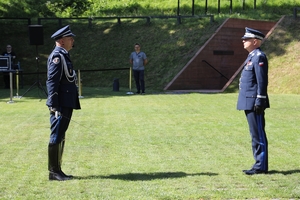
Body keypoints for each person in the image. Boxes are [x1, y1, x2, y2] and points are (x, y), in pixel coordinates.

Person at [46, 25, 81, 181]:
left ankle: (58, 169)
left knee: (61, 135)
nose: (72, 40)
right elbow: (52, 81)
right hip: (59, 102)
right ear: (61, 40)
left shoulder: (63, 55)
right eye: (70, 38)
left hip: (66, 101)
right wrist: (53, 104)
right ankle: (53, 172)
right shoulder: (57, 57)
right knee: (56, 135)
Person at [237, 27, 270, 175]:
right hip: (248, 101)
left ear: (255, 41)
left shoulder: (259, 57)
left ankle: (260, 166)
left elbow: (262, 81)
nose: (243, 41)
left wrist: (260, 100)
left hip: (254, 102)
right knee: (254, 134)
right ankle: (258, 164)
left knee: (258, 135)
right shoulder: (252, 56)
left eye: (247, 39)